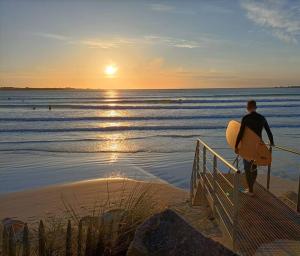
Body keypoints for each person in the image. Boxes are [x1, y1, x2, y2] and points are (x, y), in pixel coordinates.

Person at [235, 100, 274, 196]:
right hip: (258, 147)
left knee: (247, 168)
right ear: (256, 107)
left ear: (248, 107)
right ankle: (251, 187)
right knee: (254, 167)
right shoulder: (262, 118)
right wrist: (271, 144)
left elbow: (240, 133)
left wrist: (236, 146)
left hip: (247, 147)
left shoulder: (246, 118)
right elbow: (269, 132)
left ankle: (251, 190)